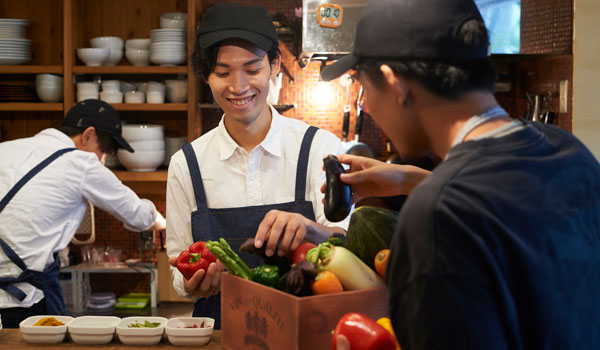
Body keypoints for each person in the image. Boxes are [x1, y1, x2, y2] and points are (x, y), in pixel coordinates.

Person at [321, 0, 600, 349]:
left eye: (363, 86)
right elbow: (506, 211)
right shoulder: (566, 151)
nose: (366, 106)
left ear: (395, 83)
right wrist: (410, 181)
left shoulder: (436, 217)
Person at [165, 3, 349, 329]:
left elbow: (349, 247)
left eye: (252, 70)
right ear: (206, 76)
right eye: (222, 73)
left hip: (306, 333)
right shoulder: (186, 165)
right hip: (220, 334)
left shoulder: (320, 149)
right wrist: (194, 283)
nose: (238, 87)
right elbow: (177, 268)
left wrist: (310, 229)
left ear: (274, 65)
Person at [0, 99, 166, 328]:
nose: (103, 159)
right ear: (88, 135)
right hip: (24, 303)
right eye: (106, 151)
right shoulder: (81, 162)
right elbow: (140, 216)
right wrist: (163, 220)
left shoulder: (7, 148)